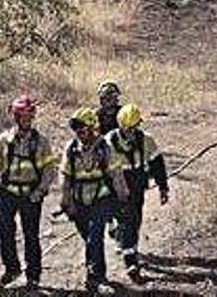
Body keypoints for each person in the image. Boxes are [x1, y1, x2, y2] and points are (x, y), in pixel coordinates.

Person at [0, 95, 57, 291]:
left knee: (31, 235)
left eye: (29, 117)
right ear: (16, 117)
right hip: (6, 193)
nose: (27, 121)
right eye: (23, 117)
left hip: (31, 194)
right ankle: (11, 269)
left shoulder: (41, 142)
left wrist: (40, 191)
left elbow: (49, 169)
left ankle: (33, 274)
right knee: (5, 232)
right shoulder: (3, 141)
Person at [60, 107, 129, 295]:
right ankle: (94, 272)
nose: (79, 134)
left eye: (83, 129)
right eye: (77, 131)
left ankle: (97, 278)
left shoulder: (104, 147)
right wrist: (66, 202)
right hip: (79, 201)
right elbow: (65, 177)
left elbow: (116, 174)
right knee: (90, 240)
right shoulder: (71, 148)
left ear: (92, 128)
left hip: (101, 198)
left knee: (94, 237)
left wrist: (123, 199)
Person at [105, 103, 169, 283]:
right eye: (128, 129)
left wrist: (163, 187)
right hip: (117, 187)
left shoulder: (146, 140)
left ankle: (124, 243)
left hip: (137, 187)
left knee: (135, 221)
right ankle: (130, 261)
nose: (132, 132)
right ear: (121, 126)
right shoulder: (108, 143)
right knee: (127, 222)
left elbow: (157, 163)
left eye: (135, 127)